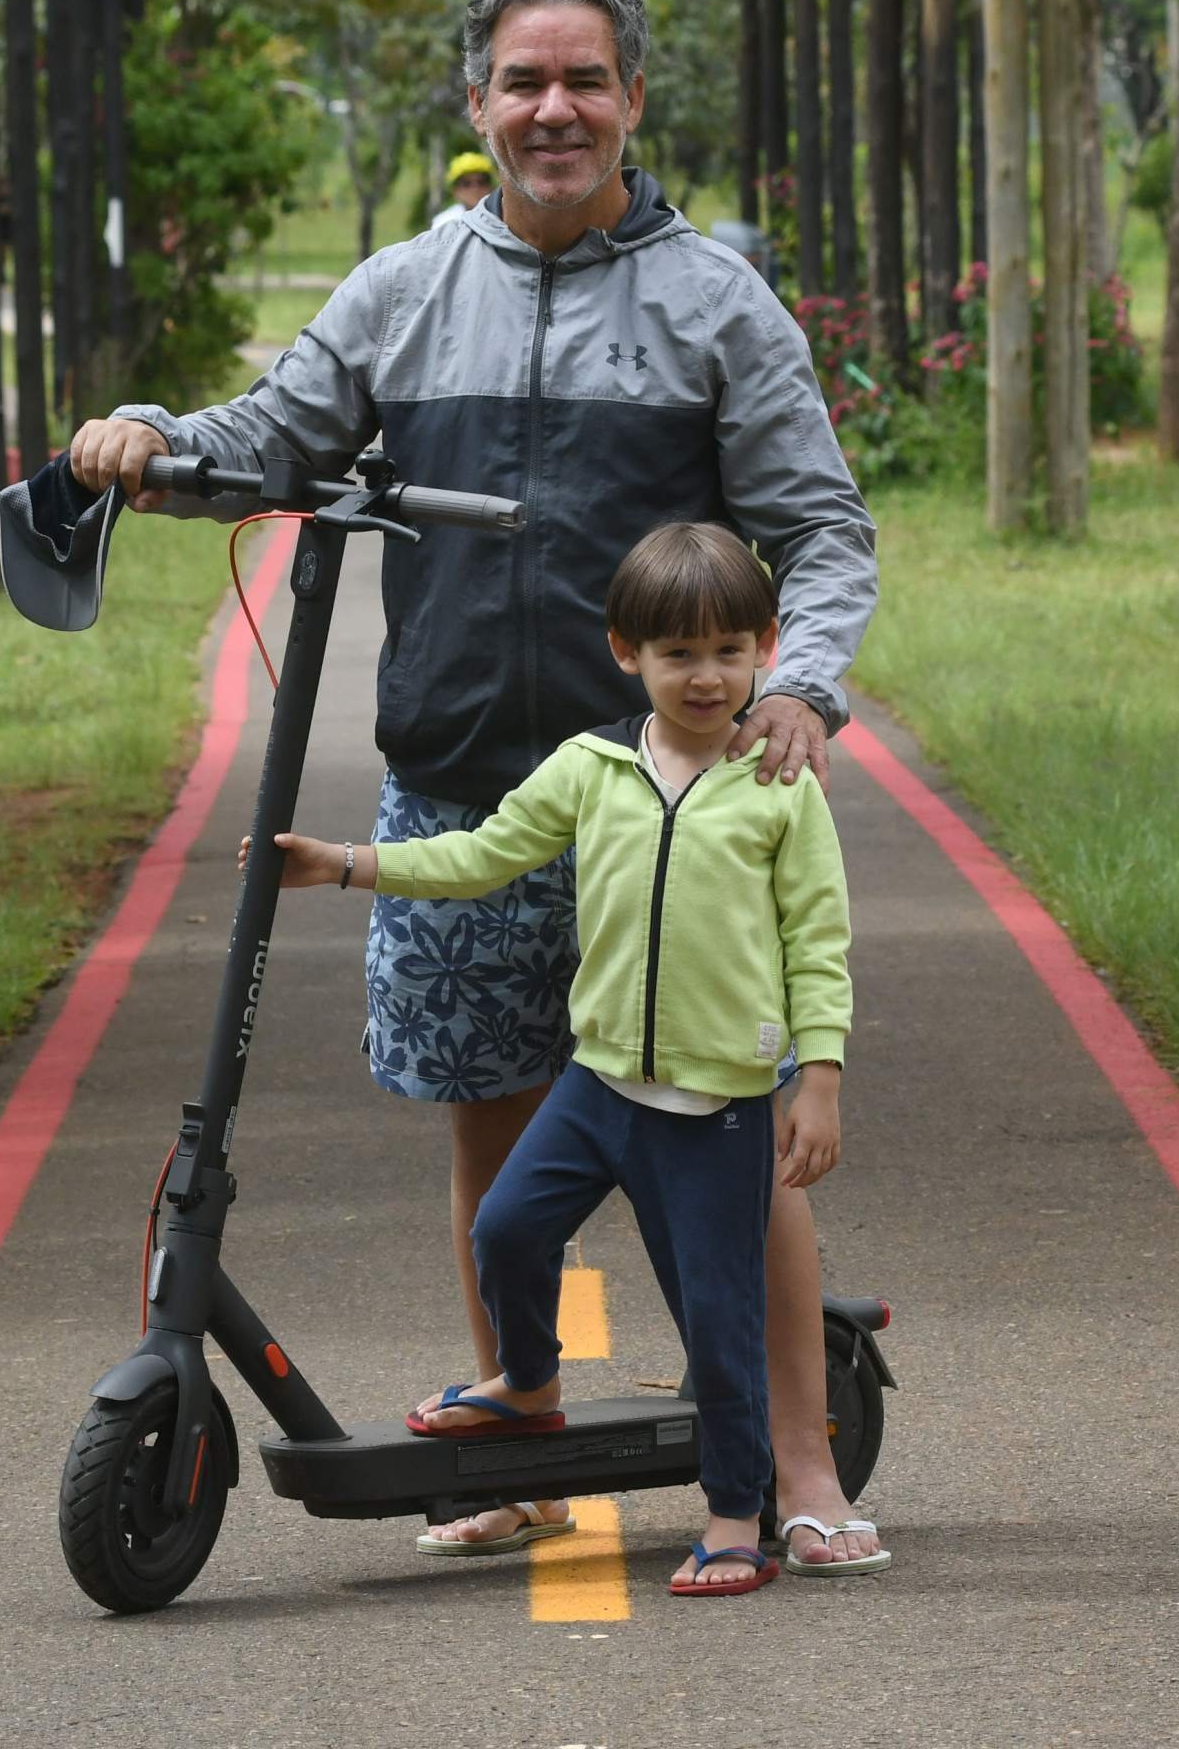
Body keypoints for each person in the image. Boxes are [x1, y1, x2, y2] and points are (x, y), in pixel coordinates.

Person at [56, 0, 889, 1576]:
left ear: (635, 100)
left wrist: (809, 687)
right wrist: (146, 441)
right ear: (478, 102)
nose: (555, 109)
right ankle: (524, 1430)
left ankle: (803, 1463)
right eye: (525, 81)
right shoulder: (406, 286)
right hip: (462, 785)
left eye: (585, 80)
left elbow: (821, 528)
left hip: (670, 802)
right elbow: (274, 437)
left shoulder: (715, 301)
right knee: (492, 1126)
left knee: (717, 1132)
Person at [254, 523, 853, 1594]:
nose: (706, 676)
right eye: (678, 655)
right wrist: (341, 865)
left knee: (718, 1320)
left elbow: (818, 941)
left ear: (766, 646)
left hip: (715, 1106)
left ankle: (732, 1519)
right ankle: (529, 1381)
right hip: (599, 1085)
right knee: (507, 1228)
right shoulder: (592, 767)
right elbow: (481, 857)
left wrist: (818, 1079)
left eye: (728, 650)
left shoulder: (777, 782)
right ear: (626, 652)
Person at [429, 149, 495, 230]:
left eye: (481, 182)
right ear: (455, 191)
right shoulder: (444, 223)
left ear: (491, 187)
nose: (475, 188)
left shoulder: (504, 219)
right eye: (466, 184)